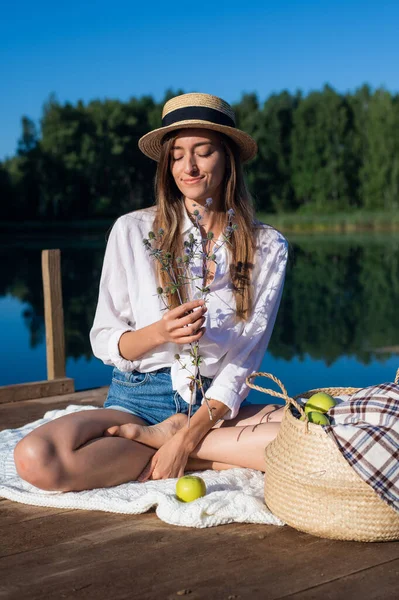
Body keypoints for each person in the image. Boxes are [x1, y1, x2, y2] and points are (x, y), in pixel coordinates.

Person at [14, 93, 289, 492]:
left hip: (215, 409)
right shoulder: (132, 230)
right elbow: (105, 340)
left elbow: (245, 360)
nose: (188, 167)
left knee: (330, 433)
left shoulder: (267, 246)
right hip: (137, 402)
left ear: (228, 157)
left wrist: (186, 435)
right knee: (35, 458)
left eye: (203, 152)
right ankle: (203, 451)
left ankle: (182, 447)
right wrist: (160, 333)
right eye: (177, 155)